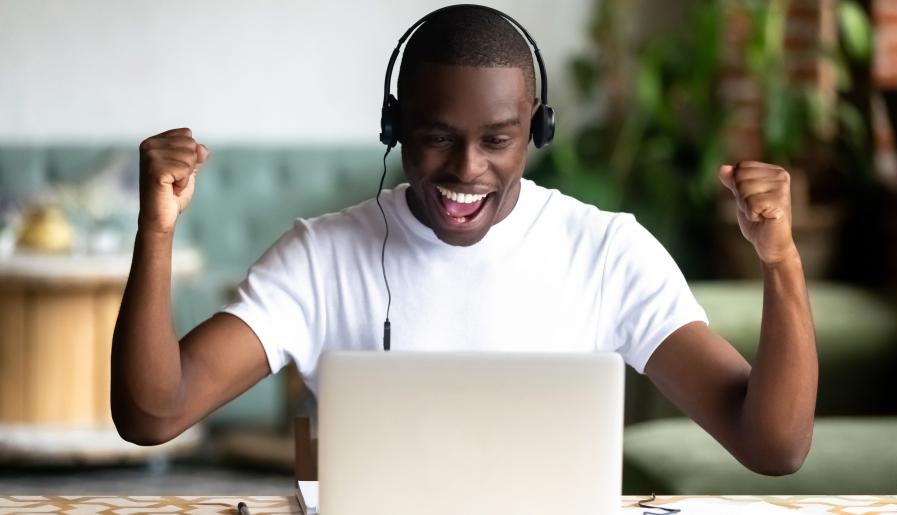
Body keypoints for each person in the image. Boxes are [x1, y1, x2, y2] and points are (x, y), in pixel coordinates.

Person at [111, 6, 816, 476]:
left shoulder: (607, 252)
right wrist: (156, 230)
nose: (466, 170)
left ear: (536, 128)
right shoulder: (322, 256)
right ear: (395, 126)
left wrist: (779, 261)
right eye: (436, 137)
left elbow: (772, 443)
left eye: (497, 140)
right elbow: (152, 413)